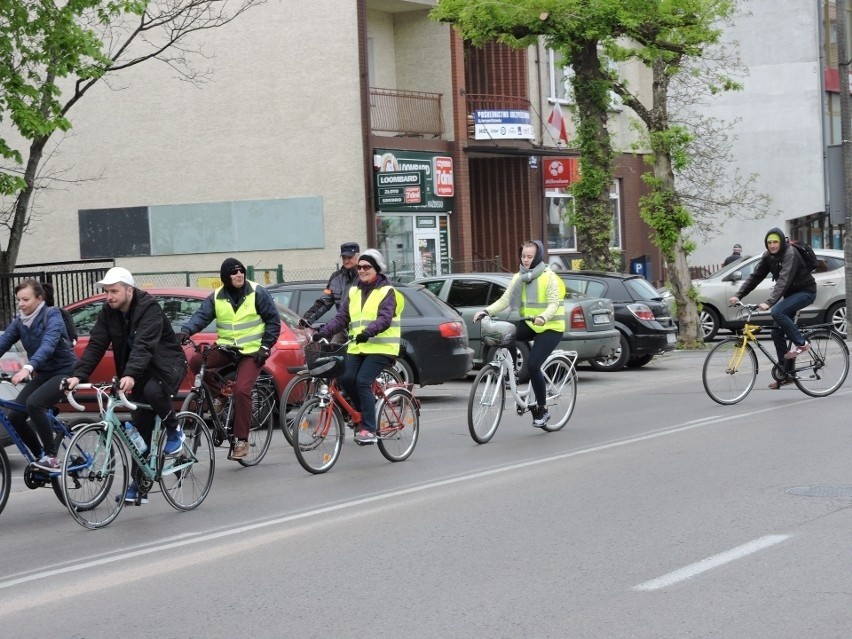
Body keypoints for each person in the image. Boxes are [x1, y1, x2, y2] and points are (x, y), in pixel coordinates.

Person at [65, 267, 187, 503]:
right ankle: (140, 487)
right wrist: (78, 375)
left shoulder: (148, 307)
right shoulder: (108, 312)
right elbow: (96, 345)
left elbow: (144, 345)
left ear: (129, 290)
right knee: (139, 428)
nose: (109, 296)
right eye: (106, 291)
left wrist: (130, 373)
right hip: (139, 370)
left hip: (165, 365)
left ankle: (174, 430)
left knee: (153, 391)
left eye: (114, 291)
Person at [179, 258, 281, 460]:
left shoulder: (257, 292)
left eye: (241, 271)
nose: (239, 275)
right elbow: (201, 316)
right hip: (227, 348)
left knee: (243, 390)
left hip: (253, 352)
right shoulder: (216, 296)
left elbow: (273, 322)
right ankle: (221, 393)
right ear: (226, 277)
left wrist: (265, 346)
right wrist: (186, 331)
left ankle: (241, 441)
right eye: (234, 272)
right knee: (196, 361)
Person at [311, 249, 403, 444]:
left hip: (381, 347)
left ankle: (369, 428)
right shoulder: (354, 291)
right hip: (358, 346)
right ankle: (363, 411)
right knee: (345, 378)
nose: (362, 270)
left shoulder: (387, 291)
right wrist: (324, 332)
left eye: (367, 267)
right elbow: (341, 318)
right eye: (360, 267)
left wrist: (368, 332)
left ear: (377, 269)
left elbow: (385, 319)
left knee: (362, 380)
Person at [473, 240, 566, 427]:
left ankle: (542, 409)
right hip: (531, 324)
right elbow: (505, 299)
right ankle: (513, 375)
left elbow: (553, 304)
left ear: (538, 257)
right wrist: (487, 311)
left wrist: (543, 317)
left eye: (530, 257)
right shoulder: (519, 277)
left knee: (533, 366)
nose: (525, 260)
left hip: (550, 327)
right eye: (523, 256)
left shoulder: (550, 277)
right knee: (505, 335)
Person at [0, 279, 77, 470]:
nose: (21, 304)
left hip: (65, 372)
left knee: (34, 404)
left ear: (39, 298)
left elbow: (48, 346)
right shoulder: (20, 321)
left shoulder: (53, 315)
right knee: (15, 416)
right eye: (18, 300)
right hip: (43, 373)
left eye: (25, 299)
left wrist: (27, 368)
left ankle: (51, 457)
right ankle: (40, 457)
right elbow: (4, 342)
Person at [727, 228, 817, 389]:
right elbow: (755, 277)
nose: (772, 245)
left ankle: (802, 343)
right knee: (776, 331)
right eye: (769, 242)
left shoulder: (791, 254)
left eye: (775, 242)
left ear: (781, 242)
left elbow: (783, 280)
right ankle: (786, 374)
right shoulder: (768, 257)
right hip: (790, 295)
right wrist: (738, 295)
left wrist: (769, 302)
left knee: (777, 311)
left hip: (806, 292)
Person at [299, 242, 360, 343]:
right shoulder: (336, 278)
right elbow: (324, 302)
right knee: (332, 353)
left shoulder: (364, 276)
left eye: (349, 257)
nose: (346, 260)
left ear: (358, 257)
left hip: (361, 329)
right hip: (342, 327)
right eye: (344, 257)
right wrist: (306, 320)